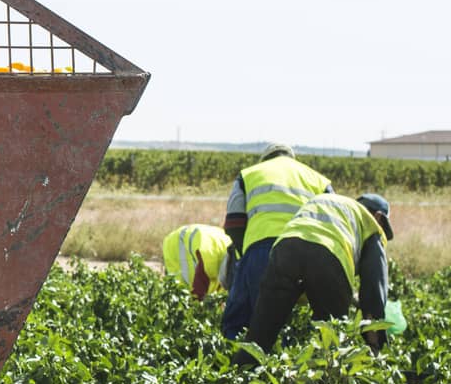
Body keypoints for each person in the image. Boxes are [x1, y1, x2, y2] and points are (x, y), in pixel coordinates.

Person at [240, 192, 395, 358]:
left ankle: (241, 376)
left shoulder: (329, 202)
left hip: (284, 250)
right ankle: (321, 379)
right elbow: (373, 293)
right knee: (330, 344)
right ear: (379, 217)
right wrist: (375, 346)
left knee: (259, 338)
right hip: (328, 255)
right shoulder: (371, 225)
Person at [219, 143, 333, 339]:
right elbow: (333, 224)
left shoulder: (249, 175)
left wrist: (246, 256)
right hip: (311, 255)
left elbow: (233, 223)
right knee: (304, 330)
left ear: (265, 159)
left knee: (241, 319)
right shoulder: (319, 180)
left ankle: (236, 363)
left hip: (263, 250)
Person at [161, 223, 233, 298]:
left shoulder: (232, 257)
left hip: (207, 238)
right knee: (177, 290)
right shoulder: (209, 262)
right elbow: (199, 290)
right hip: (175, 243)